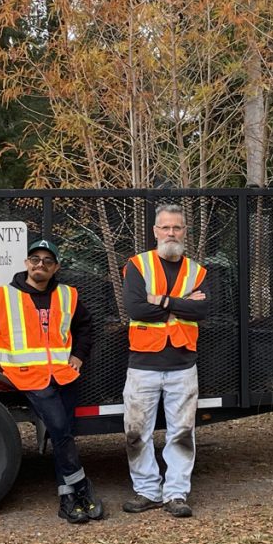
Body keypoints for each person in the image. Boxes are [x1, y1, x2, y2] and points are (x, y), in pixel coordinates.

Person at [0, 237, 104, 523]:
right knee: (60, 429)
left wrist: (79, 355)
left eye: (48, 261)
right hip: (28, 377)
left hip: (64, 375)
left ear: (56, 267)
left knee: (64, 435)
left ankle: (68, 496)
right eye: (35, 259)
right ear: (26, 264)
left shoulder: (67, 295)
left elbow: (86, 326)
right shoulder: (5, 296)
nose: (40, 265)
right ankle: (82, 487)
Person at [121, 204, 210, 518]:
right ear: (155, 231)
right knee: (135, 432)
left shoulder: (197, 270)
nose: (171, 233)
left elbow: (201, 311)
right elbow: (135, 308)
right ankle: (146, 490)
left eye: (177, 227)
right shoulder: (137, 265)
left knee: (182, 433)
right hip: (143, 365)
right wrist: (181, 305)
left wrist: (161, 301)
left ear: (185, 231)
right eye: (165, 227)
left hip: (182, 365)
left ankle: (175, 493)